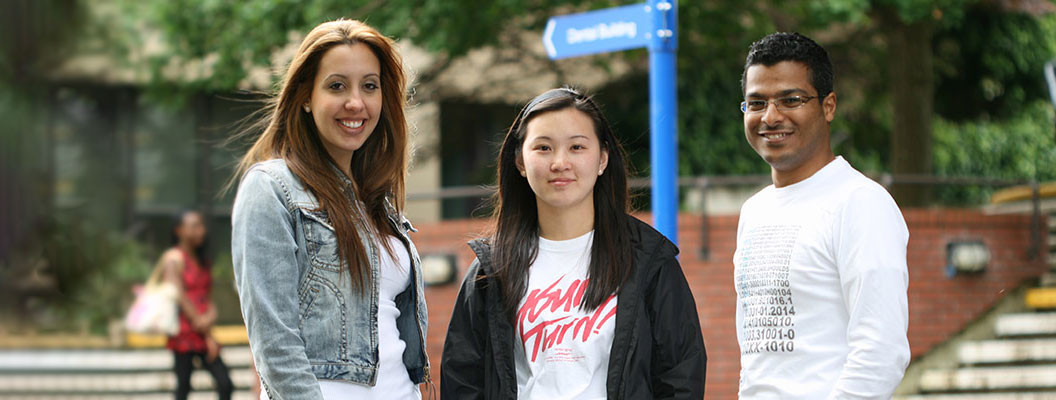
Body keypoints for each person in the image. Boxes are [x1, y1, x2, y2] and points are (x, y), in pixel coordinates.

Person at [441, 88, 706, 399]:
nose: (560, 162)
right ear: (520, 162)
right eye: (543, 147)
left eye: (577, 147)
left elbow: (680, 376)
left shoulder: (648, 260)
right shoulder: (491, 269)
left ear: (602, 158)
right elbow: (462, 382)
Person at [230, 19, 429, 400]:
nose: (356, 102)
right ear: (305, 96)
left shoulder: (376, 202)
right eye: (337, 86)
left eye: (369, 86)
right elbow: (275, 345)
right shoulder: (272, 189)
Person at [735, 32, 911, 398]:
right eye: (756, 103)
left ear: (828, 106)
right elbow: (757, 360)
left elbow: (880, 352)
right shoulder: (755, 211)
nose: (770, 116)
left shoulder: (860, 203)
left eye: (791, 100)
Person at [161, 210, 234, 400]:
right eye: (194, 226)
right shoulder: (173, 259)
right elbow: (179, 295)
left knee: (225, 383)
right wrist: (202, 324)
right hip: (184, 334)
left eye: (201, 225)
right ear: (179, 230)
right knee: (183, 386)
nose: (201, 231)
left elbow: (206, 295)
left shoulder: (203, 260)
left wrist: (211, 315)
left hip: (203, 331)